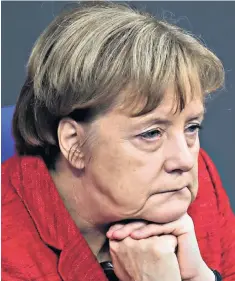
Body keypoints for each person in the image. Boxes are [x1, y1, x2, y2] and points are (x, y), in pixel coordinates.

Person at [2, 2, 235, 281]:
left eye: (192, 127)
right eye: (151, 133)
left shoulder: (194, 186)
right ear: (74, 143)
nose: (185, 160)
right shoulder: (9, 252)